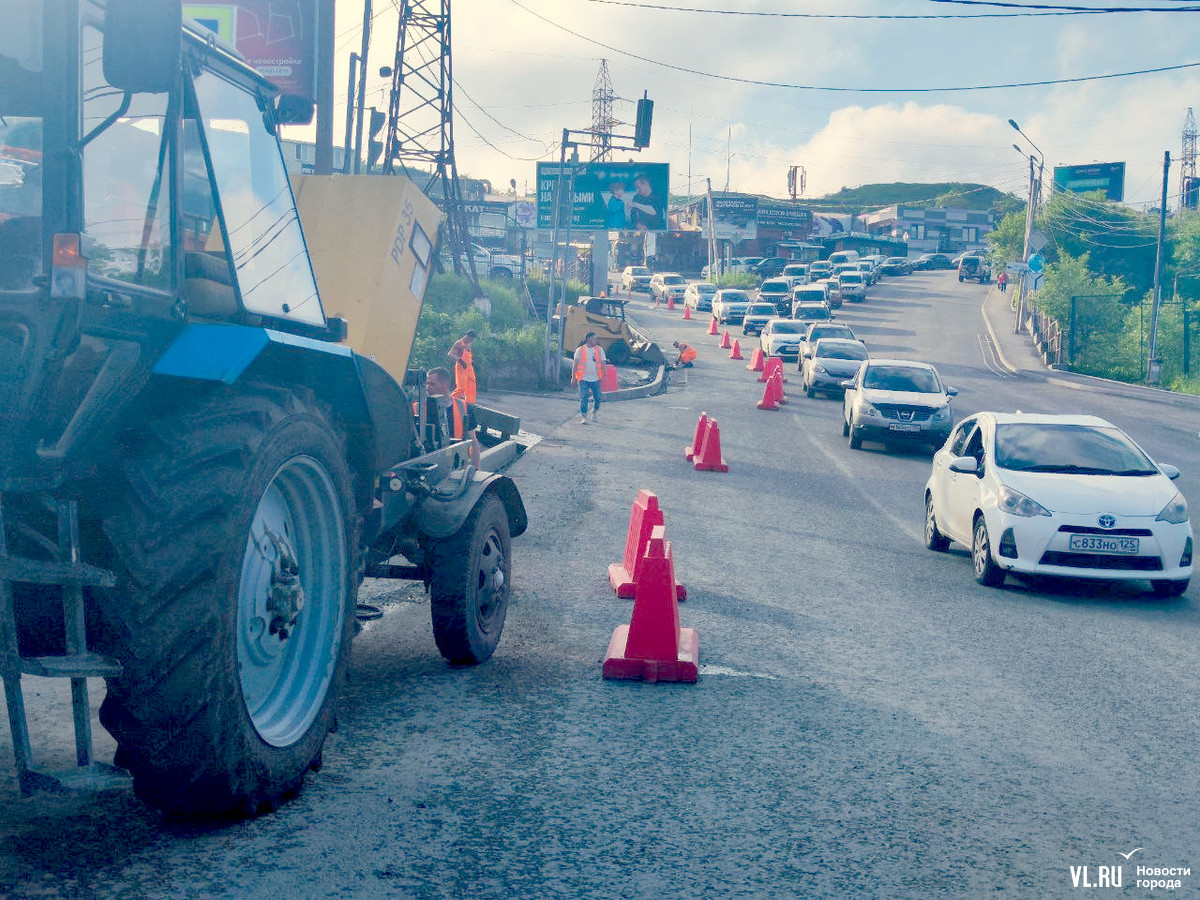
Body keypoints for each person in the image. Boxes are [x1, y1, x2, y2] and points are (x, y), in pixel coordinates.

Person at [426, 366, 481, 467]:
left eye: (432, 384)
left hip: (457, 463)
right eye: (427, 383)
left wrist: (476, 469)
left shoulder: (465, 408)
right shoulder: (417, 408)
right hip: (428, 464)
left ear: (446, 385)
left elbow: (473, 441)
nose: (427, 387)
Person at [572, 331, 607, 424]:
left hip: (596, 378)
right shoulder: (580, 350)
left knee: (598, 397)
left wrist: (604, 375)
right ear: (588, 339)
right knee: (583, 398)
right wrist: (573, 378)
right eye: (594, 338)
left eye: (596, 338)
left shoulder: (599, 350)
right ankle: (584, 417)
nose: (596, 340)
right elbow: (575, 365)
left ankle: (594, 412)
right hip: (583, 378)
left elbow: (603, 363)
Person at [447, 329, 477, 404]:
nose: (472, 340)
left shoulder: (469, 344)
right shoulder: (459, 343)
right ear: (468, 336)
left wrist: (471, 362)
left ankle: (470, 403)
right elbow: (450, 354)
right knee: (461, 388)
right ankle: (449, 402)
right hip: (461, 366)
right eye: (471, 338)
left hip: (469, 367)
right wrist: (460, 360)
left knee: (471, 384)